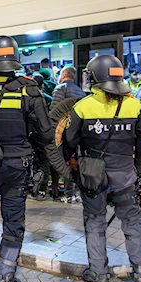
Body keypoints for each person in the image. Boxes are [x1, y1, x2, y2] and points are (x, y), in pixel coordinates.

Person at [0, 36, 70, 282]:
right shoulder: (30, 90)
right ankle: (6, 277)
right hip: (17, 167)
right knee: (13, 221)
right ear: (15, 58)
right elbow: (44, 134)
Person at [64, 54, 141, 282]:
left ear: (94, 77)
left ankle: (99, 274)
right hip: (125, 175)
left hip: (93, 176)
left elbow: (69, 143)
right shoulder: (133, 104)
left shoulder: (82, 106)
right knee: (133, 223)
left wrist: (74, 170)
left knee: (95, 223)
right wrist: (136, 169)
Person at [50, 66, 86, 203]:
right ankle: (77, 192)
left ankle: (68, 193)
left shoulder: (60, 88)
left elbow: (54, 111)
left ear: (64, 74)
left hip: (63, 132)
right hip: (78, 132)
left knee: (64, 161)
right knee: (76, 160)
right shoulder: (80, 90)